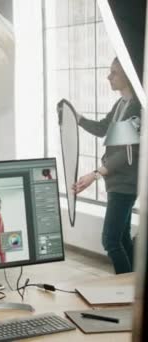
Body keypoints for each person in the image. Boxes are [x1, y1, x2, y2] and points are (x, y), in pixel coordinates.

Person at [73, 57, 141, 274]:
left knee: (110, 240)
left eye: (114, 73)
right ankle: (133, 289)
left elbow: (127, 152)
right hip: (117, 181)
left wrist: (95, 174)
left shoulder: (137, 107)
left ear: (128, 76)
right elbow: (103, 129)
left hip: (125, 182)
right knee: (121, 237)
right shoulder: (122, 103)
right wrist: (77, 118)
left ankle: (125, 292)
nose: (108, 76)